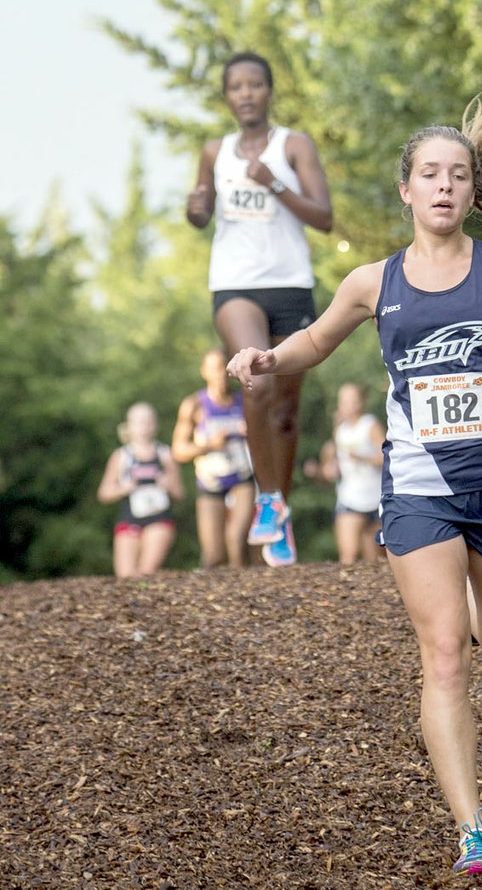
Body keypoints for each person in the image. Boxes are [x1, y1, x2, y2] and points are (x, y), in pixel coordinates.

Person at [226, 94, 482, 878]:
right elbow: (314, 340)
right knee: (443, 655)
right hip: (418, 490)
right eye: (430, 174)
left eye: (458, 176)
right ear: (406, 190)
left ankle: (478, 604)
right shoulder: (374, 282)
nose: (443, 187)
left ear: (474, 193)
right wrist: (270, 358)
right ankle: (473, 828)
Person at [186, 50, 333, 567]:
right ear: (227, 96)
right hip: (235, 286)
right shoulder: (214, 151)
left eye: (255, 85)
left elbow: (324, 217)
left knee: (286, 413)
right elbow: (200, 209)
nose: (245, 94)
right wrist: (196, 208)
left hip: (291, 286)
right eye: (236, 87)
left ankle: (278, 503)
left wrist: (273, 182)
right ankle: (266, 502)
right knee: (258, 379)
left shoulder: (293, 145)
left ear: (269, 91)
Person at [171, 347, 255, 568]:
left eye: (223, 369)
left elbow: (268, 442)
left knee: (236, 540)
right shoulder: (194, 405)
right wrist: (209, 445)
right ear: (204, 372)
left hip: (242, 479)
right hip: (211, 483)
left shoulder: (245, 401)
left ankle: (245, 594)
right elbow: (178, 450)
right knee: (213, 556)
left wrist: (253, 433)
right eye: (214, 369)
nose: (220, 375)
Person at [97, 402, 184, 578]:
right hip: (129, 520)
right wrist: (122, 489)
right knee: (125, 576)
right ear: (129, 426)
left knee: (146, 572)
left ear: (156, 425)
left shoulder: (165, 454)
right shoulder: (121, 456)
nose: (144, 427)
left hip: (159, 519)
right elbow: (104, 494)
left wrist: (168, 485)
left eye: (148, 422)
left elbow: (180, 493)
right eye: (139, 422)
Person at [304, 382, 386, 564]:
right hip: (349, 499)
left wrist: (362, 458)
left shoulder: (370, 424)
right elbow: (332, 469)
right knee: (349, 556)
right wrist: (319, 471)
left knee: (375, 560)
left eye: (351, 400)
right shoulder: (339, 431)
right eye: (343, 401)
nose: (346, 405)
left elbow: (386, 456)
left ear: (360, 402)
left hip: (375, 499)